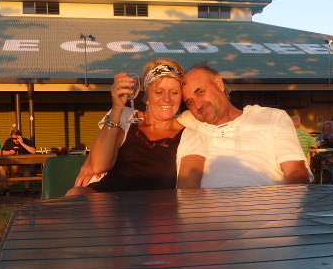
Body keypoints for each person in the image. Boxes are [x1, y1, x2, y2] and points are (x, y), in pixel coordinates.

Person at [176, 65, 311, 188]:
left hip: (269, 209)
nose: (197, 106)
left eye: (200, 92)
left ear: (218, 83)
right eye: (190, 102)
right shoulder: (193, 129)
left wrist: (292, 211)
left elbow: (296, 171)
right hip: (213, 213)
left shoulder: (272, 117)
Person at [69, 58, 186, 194]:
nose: (167, 99)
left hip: (157, 208)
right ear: (147, 96)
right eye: (159, 92)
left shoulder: (189, 127)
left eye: (174, 92)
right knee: (76, 194)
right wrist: (117, 108)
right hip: (110, 200)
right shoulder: (127, 117)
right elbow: (98, 166)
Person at [0, 129, 36, 194]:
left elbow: (33, 151)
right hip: (10, 165)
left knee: (27, 169)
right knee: (1, 167)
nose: (14, 140)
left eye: (17, 138)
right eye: (13, 138)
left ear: (20, 136)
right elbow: (2, 152)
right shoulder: (8, 141)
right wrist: (9, 152)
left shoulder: (26, 141)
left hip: (21, 165)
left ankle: (27, 189)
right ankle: (5, 189)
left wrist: (22, 143)